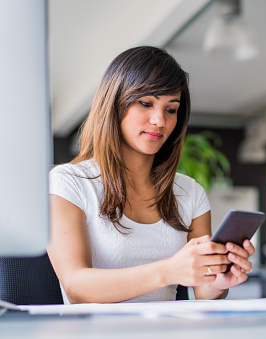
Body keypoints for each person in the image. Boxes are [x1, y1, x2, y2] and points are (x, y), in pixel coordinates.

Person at [47, 46, 254, 304]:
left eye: (171, 109)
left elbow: (204, 292)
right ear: (114, 104)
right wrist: (168, 271)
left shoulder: (190, 193)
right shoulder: (68, 183)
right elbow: (76, 286)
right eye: (146, 103)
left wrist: (219, 282)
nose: (160, 120)